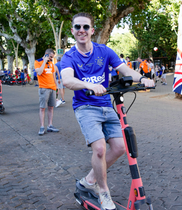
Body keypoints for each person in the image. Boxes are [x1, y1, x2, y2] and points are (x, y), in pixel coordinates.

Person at [60, 12, 154, 210]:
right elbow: (67, 80)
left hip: (105, 106)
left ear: (92, 31)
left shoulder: (104, 51)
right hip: (86, 108)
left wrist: (142, 79)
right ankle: (103, 192)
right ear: (72, 31)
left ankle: (89, 180)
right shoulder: (69, 57)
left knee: (120, 148)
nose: (82, 31)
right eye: (77, 27)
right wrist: (88, 84)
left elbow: (126, 70)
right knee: (100, 149)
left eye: (86, 27)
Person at [34, 49, 60, 135]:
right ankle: (42, 127)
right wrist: (44, 62)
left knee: (51, 107)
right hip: (44, 88)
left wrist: (56, 88)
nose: (52, 59)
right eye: (50, 57)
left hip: (52, 88)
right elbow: (39, 72)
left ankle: (50, 125)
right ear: (46, 55)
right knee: (42, 108)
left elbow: (53, 76)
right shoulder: (37, 62)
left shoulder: (51, 64)